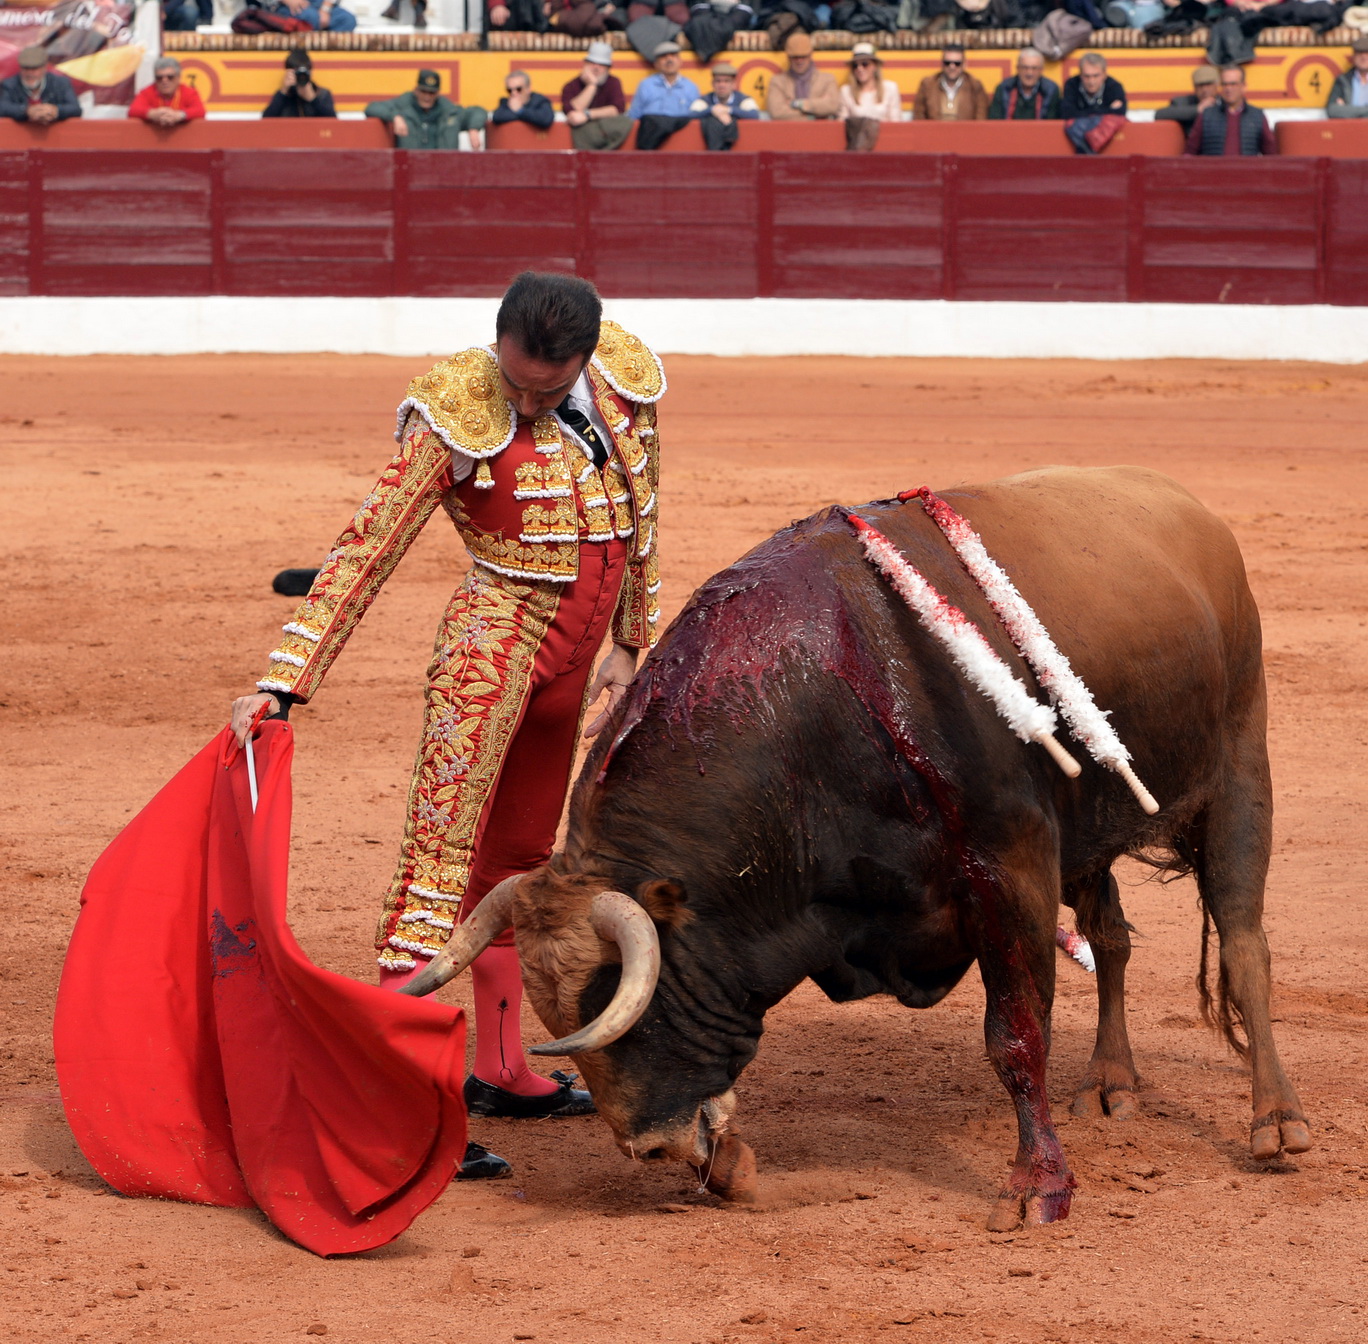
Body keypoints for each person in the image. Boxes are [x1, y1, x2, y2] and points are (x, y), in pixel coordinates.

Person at [230, 272, 665, 1179]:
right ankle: (400, 1098)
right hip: (492, 650)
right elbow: (370, 542)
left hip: (579, 658)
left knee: (519, 859)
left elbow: (646, 510)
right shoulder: (453, 406)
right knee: (437, 866)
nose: (529, 398)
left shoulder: (622, 380)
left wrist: (633, 643)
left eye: (550, 386)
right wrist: (283, 684)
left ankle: (503, 1071)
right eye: (517, 381)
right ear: (496, 341)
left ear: (586, 355)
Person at [365, 69, 487, 149]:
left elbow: (479, 111)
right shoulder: (402, 106)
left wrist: (473, 128)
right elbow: (372, 107)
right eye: (424, 92)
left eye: (432, 93)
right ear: (416, 90)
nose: (427, 97)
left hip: (443, 170)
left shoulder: (450, 112)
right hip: (410, 169)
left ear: (438, 93)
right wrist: (395, 116)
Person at [1185, 64, 1275, 155]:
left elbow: (1271, 154)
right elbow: (1190, 153)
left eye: (1233, 84)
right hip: (1214, 169)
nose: (1228, 89)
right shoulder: (1207, 115)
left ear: (1243, 86)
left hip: (1246, 169)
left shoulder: (1257, 116)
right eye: (1224, 84)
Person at [629, 40, 701, 151]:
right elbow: (634, 115)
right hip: (650, 144)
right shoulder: (646, 85)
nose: (669, 59)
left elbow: (696, 119)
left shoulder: (690, 87)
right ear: (656, 64)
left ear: (680, 61)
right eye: (664, 57)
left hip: (682, 145)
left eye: (673, 55)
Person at [562, 40, 632, 150]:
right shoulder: (571, 85)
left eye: (601, 65)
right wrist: (592, 85)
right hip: (583, 134)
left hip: (607, 132)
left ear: (608, 68)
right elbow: (572, 111)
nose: (596, 68)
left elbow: (617, 109)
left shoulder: (614, 82)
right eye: (592, 63)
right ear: (585, 64)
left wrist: (587, 115)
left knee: (625, 122)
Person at [1060, 51, 1127, 154]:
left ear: (1104, 75)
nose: (1091, 81)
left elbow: (1121, 112)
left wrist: (1083, 113)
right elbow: (1066, 113)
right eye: (1087, 76)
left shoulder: (1114, 87)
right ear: (1080, 75)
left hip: (1108, 147)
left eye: (1096, 76)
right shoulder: (1072, 84)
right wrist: (1105, 110)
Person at [839, 41, 901, 150]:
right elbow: (841, 125)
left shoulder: (890, 88)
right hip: (856, 147)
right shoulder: (846, 91)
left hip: (886, 146)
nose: (860, 68)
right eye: (855, 65)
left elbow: (896, 124)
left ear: (875, 66)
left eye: (865, 64)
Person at [767, 31, 840, 122]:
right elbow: (776, 112)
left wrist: (797, 104)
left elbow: (833, 105)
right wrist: (813, 116)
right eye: (795, 57)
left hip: (820, 132)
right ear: (788, 57)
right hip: (788, 132)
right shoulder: (777, 81)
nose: (799, 61)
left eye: (803, 56)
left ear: (810, 55)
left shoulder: (827, 79)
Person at [0, 46, 82, 125]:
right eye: (26, 68)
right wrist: (26, 111)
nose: (29, 73)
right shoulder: (9, 84)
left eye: (34, 69)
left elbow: (75, 109)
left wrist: (54, 110)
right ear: (20, 68)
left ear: (44, 68)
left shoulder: (61, 83)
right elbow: (3, 108)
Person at [689, 61, 759, 151]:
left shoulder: (743, 99)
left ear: (734, 84)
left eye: (726, 81)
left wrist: (728, 110)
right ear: (713, 84)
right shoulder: (706, 99)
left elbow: (754, 115)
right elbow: (690, 115)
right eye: (718, 81)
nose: (722, 85)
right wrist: (712, 110)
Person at [913, 45, 989, 122]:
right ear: (942, 63)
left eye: (957, 63)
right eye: (947, 63)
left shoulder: (975, 86)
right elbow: (919, 119)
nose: (952, 67)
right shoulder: (927, 85)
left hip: (966, 133)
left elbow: (981, 120)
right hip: (934, 133)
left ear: (964, 64)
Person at [128, 57, 206, 128]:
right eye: (159, 78)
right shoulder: (147, 92)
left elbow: (200, 110)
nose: (164, 81)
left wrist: (179, 115)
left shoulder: (188, 92)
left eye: (170, 77)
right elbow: (133, 110)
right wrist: (152, 114)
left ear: (178, 77)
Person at [987, 47, 1060, 121]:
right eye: (1025, 68)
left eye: (1034, 68)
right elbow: (995, 121)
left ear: (1041, 70)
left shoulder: (1051, 90)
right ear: (1018, 68)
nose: (1029, 73)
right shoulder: (1004, 88)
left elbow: (1052, 123)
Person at [263, 51, 337, 119]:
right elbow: (266, 121)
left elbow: (333, 123)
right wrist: (283, 92)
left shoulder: (322, 94)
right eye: (297, 73)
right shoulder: (284, 96)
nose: (300, 77)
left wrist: (313, 99)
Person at [1154, 64, 1219, 134]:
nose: (1204, 89)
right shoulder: (1184, 102)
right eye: (1200, 85)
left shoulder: (1225, 103)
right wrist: (1197, 109)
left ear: (1216, 85)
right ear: (1195, 87)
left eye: (1208, 84)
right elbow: (1160, 114)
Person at [491, 70, 555, 130]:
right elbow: (497, 117)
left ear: (528, 88)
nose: (514, 93)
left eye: (519, 89)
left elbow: (545, 119)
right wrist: (526, 115)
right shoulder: (505, 102)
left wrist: (520, 111)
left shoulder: (540, 101)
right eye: (509, 90)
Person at [1327, 36, 1368, 118]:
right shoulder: (1342, 80)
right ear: (1353, 57)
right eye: (1359, 53)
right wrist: (1365, 111)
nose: (1363, 57)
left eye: (1367, 53)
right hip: (1348, 128)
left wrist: (1348, 110)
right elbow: (1332, 110)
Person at [261, 0, 358, 30]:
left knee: (347, 20)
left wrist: (325, 9)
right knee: (311, 18)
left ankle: (327, 56)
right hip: (287, 7)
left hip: (320, 5)